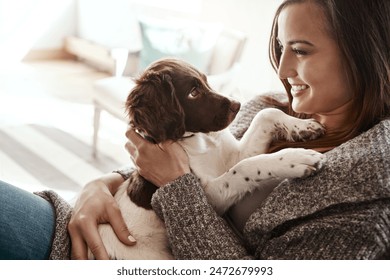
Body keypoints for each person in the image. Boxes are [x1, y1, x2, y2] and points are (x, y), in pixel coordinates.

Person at [1, 0, 389, 260]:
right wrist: (100, 185)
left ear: (365, 53)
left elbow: (183, 181)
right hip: (88, 234)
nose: (283, 69)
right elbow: (190, 158)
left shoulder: (366, 193)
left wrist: (173, 185)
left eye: (301, 50)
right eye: (280, 46)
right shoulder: (271, 107)